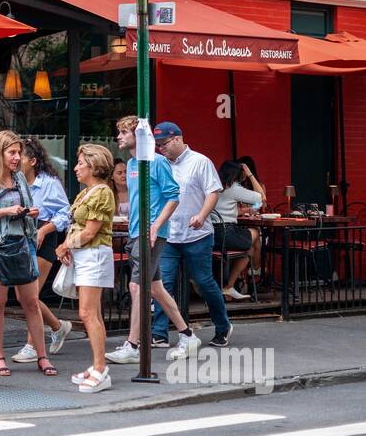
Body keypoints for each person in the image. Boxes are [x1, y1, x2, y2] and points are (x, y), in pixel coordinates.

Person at [106, 116, 202, 364]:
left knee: (137, 287)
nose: (119, 137)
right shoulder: (130, 164)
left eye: (123, 132)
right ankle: (187, 335)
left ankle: (132, 345)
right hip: (138, 232)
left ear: (137, 135)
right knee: (155, 288)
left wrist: (155, 226)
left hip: (152, 234)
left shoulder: (157, 162)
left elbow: (173, 196)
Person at [0, 130, 56, 378]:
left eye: (18, 152)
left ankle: (42, 356)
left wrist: (31, 213)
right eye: (12, 152)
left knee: (31, 301)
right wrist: (4, 211)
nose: (17, 157)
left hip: (23, 243)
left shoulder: (20, 178)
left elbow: (30, 207)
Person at [151, 122, 235, 348]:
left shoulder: (200, 161)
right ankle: (159, 333)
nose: (160, 149)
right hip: (169, 235)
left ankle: (222, 326)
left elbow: (213, 192)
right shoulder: (160, 164)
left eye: (164, 144)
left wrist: (201, 215)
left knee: (204, 282)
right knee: (162, 283)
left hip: (197, 235)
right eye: (157, 145)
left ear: (177, 138)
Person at [57, 144, 116, 392]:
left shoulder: (101, 192)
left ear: (93, 166)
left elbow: (91, 232)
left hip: (94, 255)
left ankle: (100, 368)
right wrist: (69, 245)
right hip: (86, 255)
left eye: (81, 163)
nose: (76, 167)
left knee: (87, 313)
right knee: (93, 313)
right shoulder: (89, 192)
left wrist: (65, 245)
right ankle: (97, 365)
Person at [11, 136, 74, 364]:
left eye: (21, 156)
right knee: (22, 295)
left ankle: (31, 345)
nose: (17, 159)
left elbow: (65, 213)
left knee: (31, 295)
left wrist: (45, 231)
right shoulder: (13, 181)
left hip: (42, 236)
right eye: (14, 154)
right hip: (21, 236)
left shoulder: (48, 182)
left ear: (34, 160)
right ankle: (58, 327)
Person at [214, 159, 265, 300]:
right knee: (256, 232)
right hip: (227, 234)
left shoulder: (214, 185)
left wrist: (246, 210)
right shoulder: (233, 188)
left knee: (249, 249)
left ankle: (229, 287)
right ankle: (255, 270)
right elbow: (262, 197)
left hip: (212, 235)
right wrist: (250, 174)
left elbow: (227, 210)